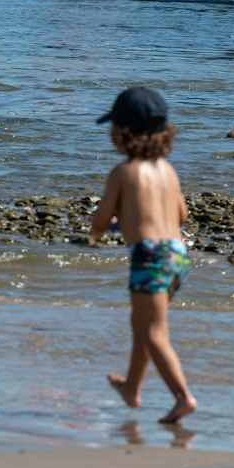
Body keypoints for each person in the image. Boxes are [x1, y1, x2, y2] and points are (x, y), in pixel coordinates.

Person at [90, 87, 198, 425]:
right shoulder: (168, 170)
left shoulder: (123, 173)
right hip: (177, 254)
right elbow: (181, 215)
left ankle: (182, 397)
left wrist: (104, 227)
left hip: (149, 256)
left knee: (153, 333)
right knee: (142, 324)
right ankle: (131, 388)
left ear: (121, 132)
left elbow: (101, 220)